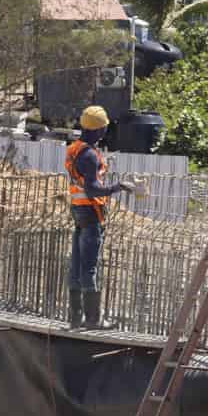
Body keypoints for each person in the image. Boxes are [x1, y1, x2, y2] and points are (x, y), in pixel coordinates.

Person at [62, 104, 131, 328]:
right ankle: (93, 319)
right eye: (104, 128)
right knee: (89, 267)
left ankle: (75, 317)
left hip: (77, 209)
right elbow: (92, 188)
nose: (105, 132)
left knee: (77, 265)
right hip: (91, 212)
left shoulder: (74, 149)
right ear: (99, 129)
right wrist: (117, 187)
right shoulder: (90, 155)